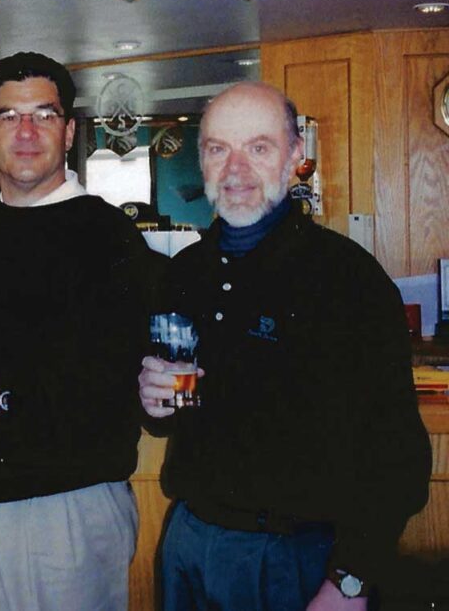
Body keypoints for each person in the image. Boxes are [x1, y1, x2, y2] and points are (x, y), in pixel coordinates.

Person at [138, 81, 432, 611]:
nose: (235, 169)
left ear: (296, 155)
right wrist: (154, 402)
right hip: (187, 539)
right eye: (217, 149)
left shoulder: (347, 278)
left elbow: (398, 454)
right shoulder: (183, 274)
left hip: (296, 557)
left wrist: (351, 579)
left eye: (258, 147)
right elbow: (174, 415)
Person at [0, 52, 151, 610]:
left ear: (68, 132)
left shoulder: (107, 236)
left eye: (43, 115)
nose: (26, 132)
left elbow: (112, 389)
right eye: (10, 116)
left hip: (62, 510)